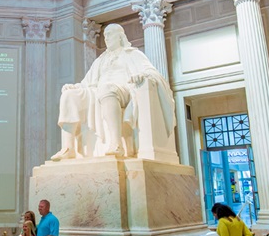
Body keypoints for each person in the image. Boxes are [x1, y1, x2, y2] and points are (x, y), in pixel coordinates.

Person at [50, 23, 175, 160]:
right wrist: (76, 88)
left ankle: (116, 144)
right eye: (105, 35)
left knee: (107, 89)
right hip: (98, 91)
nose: (106, 38)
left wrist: (142, 76)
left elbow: (152, 73)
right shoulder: (100, 60)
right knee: (69, 95)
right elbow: (87, 82)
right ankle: (68, 148)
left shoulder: (133, 54)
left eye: (110, 34)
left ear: (120, 36)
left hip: (124, 88)